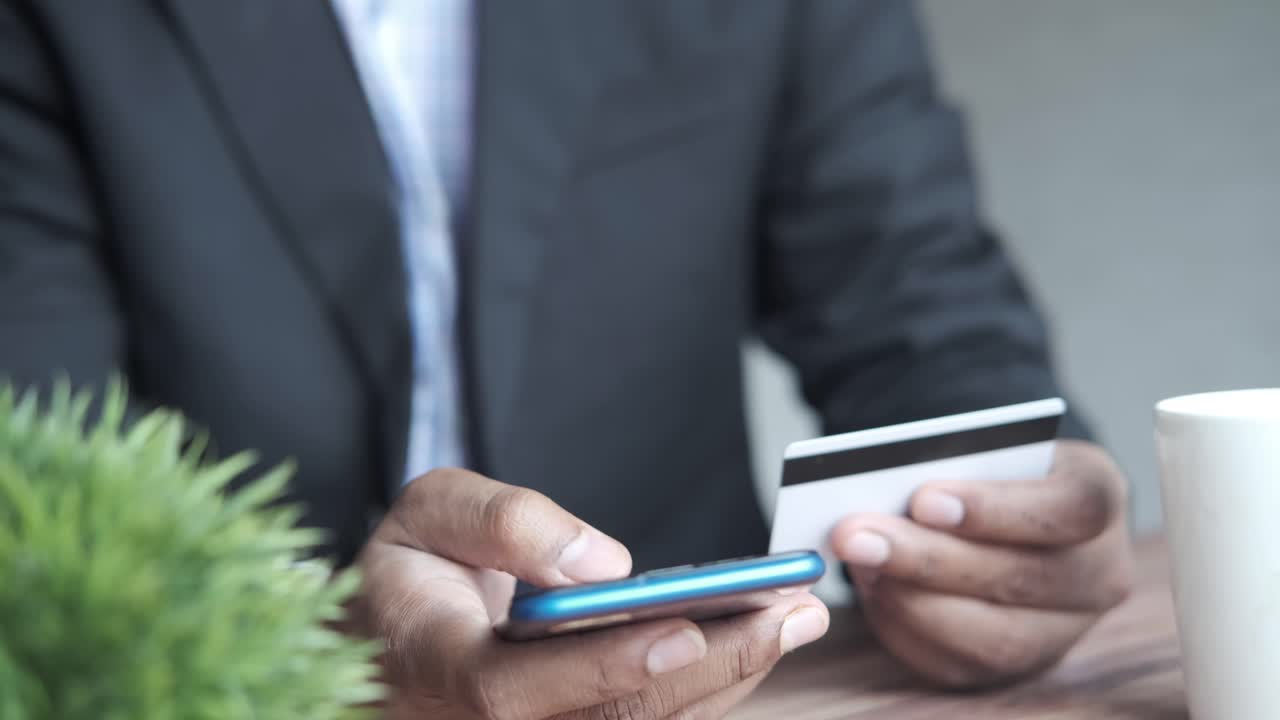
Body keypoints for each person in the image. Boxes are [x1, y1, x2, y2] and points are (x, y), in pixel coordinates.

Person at [0, 1, 1135, 717]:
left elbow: (922, 315)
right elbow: (34, 493)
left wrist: (1006, 517)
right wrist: (308, 642)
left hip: (724, 690)